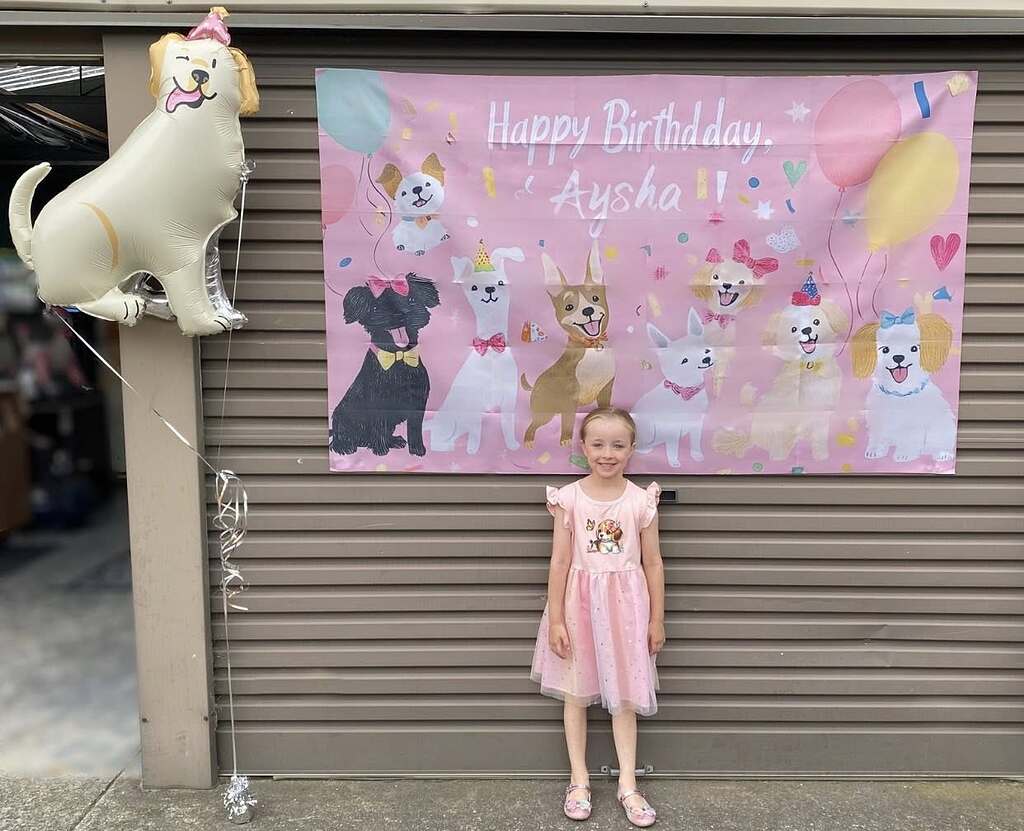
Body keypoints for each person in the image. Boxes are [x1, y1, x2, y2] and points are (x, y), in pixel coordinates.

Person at [531, 407, 666, 827]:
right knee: (575, 693)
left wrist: (656, 619)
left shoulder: (640, 501)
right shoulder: (569, 498)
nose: (608, 453)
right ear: (584, 447)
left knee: (624, 693)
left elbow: (653, 563)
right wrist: (556, 618)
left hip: (626, 610)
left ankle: (628, 782)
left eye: (618, 445)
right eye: (598, 444)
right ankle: (579, 779)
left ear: (631, 449)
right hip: (578, 606)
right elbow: (559, 562)